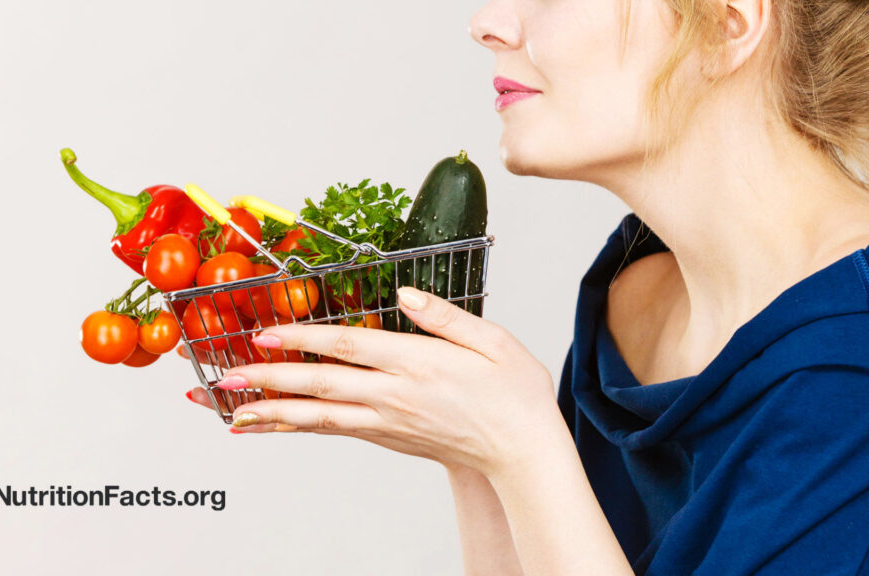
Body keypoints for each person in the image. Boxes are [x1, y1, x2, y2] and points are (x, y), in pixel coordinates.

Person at [183, 0, 869, 573]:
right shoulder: (635, 298)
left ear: (725, 22)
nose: (486, 22)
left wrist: (521, 446)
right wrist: (475, 450)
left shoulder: (850, 366)